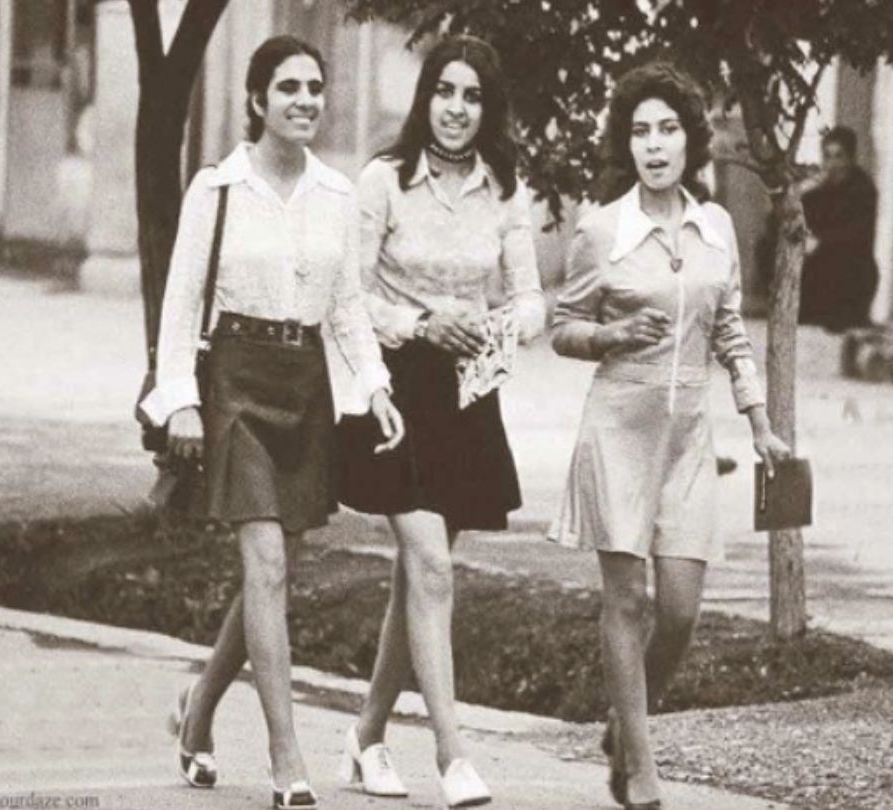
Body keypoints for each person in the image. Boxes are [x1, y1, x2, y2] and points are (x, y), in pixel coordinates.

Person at [138, 36, 404, 810]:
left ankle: (197, 712)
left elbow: (348, 303)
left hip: (306, 386)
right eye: (287, 87)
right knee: (267, 567)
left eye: (315, 88)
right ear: (256, 101)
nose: (305, 100)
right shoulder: (215, 189)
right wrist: (180, 397)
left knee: (271, 570)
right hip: (236, 385)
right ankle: (287, 759)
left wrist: (376, 384)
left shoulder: (336, 193)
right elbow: (181, 303)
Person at [549, 63, 790, 810]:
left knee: (681, 610)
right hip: (619, 424)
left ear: (690, 139)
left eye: (668, 129)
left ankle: (626, 724)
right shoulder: (601, 228)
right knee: (625, 602)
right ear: (627, 144)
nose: (655, 145)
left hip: (689, 433)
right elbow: (562, 327)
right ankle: (641, 772)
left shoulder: (715, 227)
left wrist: (760, 424)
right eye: (640, 131)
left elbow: (729, 331)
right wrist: (614, 334)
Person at [332, 35, 545, 808]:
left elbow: (530, 299)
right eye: (444, 92)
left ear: (489, 108)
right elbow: (346, 294)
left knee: (417, 579)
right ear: (424, 97)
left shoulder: (505, 189)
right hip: (393, 386)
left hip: (467, 390)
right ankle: (454, 756)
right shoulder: (383, 182)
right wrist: (423, 322)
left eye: (473, 96)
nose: (456, 109)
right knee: (431, 568)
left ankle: (364, 737)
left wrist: (495, 325)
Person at [798, 126, 879, 333]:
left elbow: (854, 232)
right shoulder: (821, 191)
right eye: (828, 156)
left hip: (850, 275)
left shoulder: (862, 190)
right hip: (820, 272)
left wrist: (820, 241)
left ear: (850, 159)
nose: (833, 164)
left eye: (839, 156)